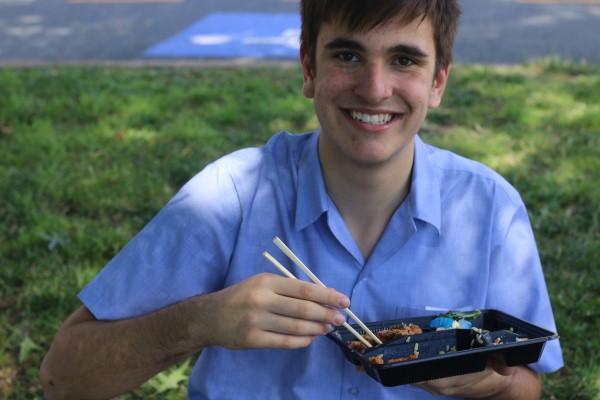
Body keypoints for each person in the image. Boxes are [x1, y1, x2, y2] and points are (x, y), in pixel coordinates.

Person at [40, 0, 564, 399]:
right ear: (309, 70)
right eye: (348, 55)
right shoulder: (231, 195)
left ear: (438, 83)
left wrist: (488, 386)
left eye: (404, 60)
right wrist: (203, 321)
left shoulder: (490, 208)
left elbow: (527, 385)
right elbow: (62, 378)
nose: (375, 88)